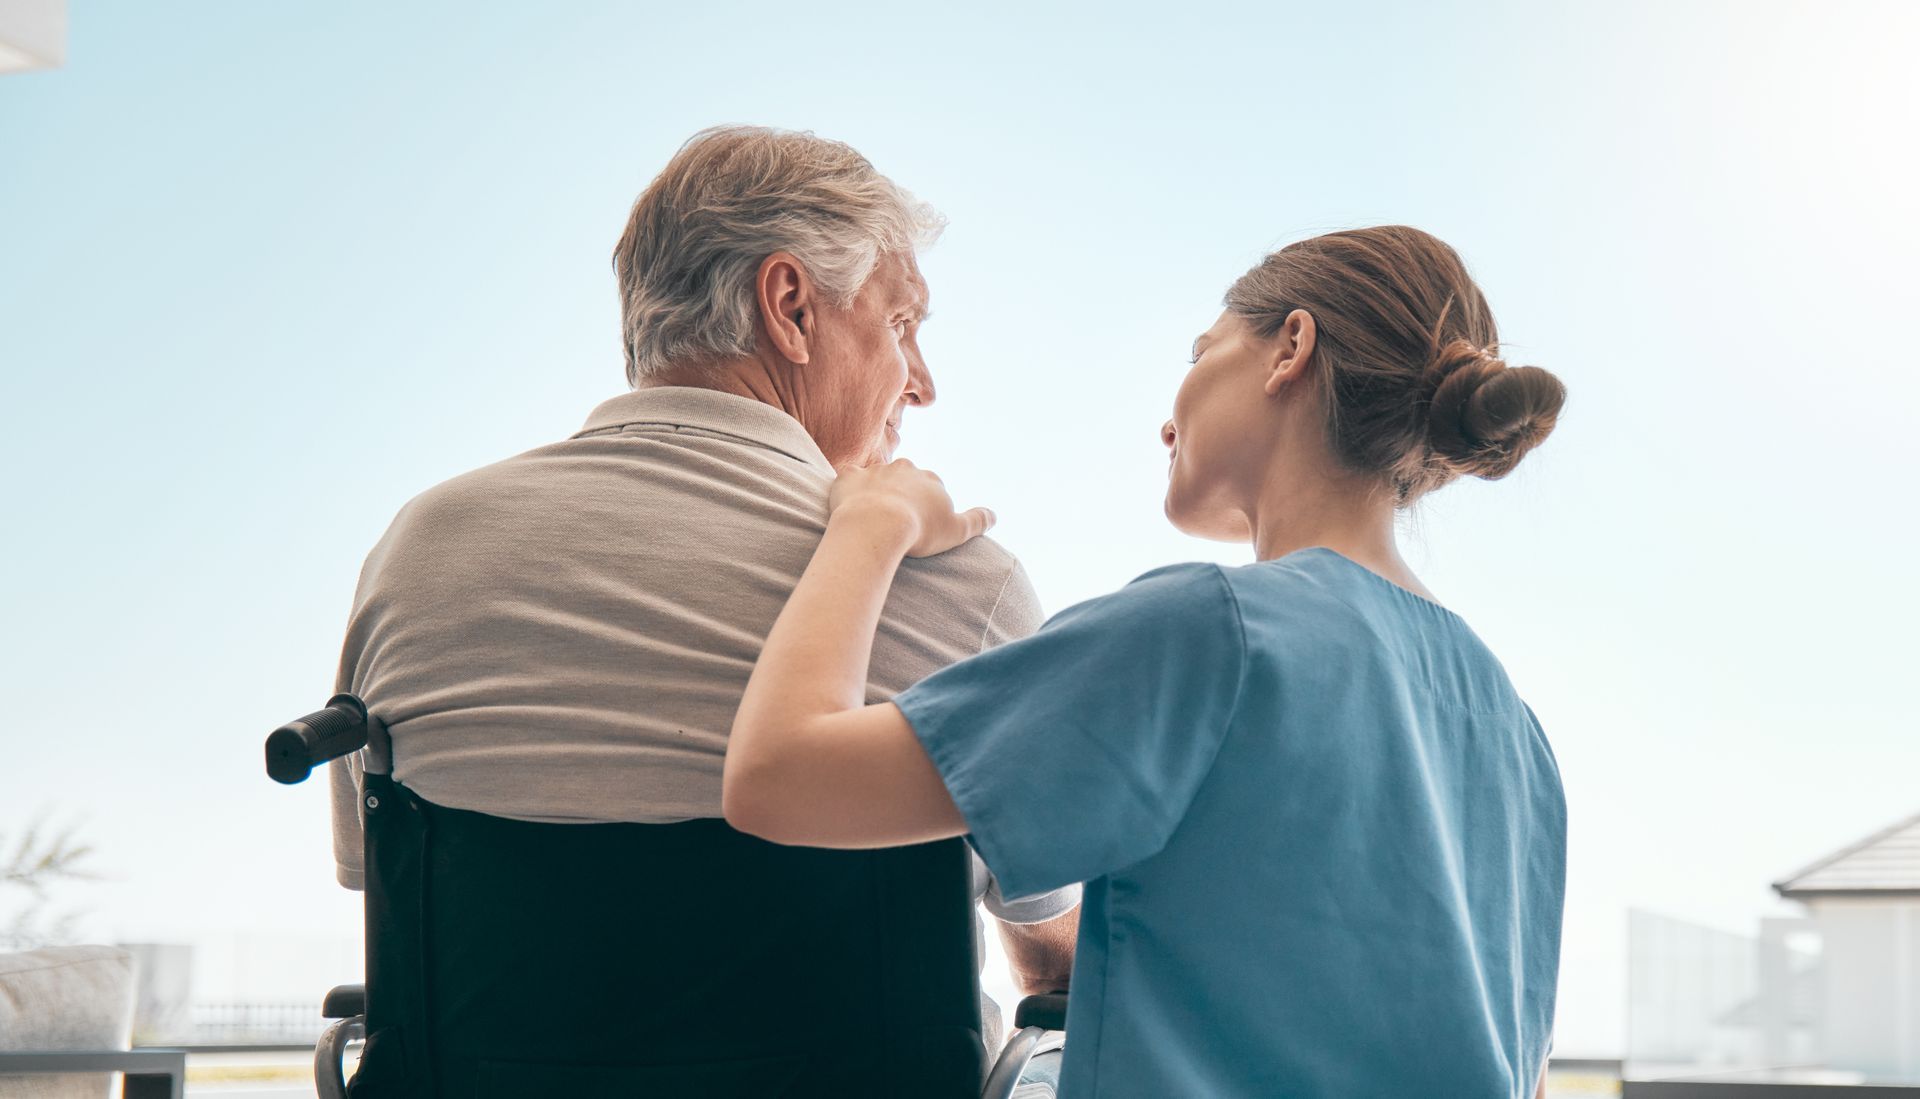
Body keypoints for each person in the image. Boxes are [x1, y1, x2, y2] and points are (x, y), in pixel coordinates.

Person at [723, 225, 1569, 1097]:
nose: (1170, 417)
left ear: (1290, 348)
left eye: (1202, 352)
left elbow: (776, 776)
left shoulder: (1207, 634)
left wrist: (872, 524)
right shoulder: (1520, 737)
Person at [328, 125, 1077, 1060]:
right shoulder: (960, 582)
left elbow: (384, 880)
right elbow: (1052, 960)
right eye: (901, 325)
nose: (920, 383)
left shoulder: (416, 553)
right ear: (791, 307)